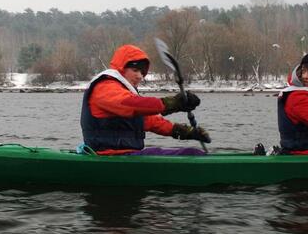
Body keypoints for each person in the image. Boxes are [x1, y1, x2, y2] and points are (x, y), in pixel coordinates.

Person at [80, 44, 211, 155]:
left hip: (126, 155)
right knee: (190, 154)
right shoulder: (105, 87)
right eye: (135, 70)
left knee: (191, 152)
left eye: (142, 73)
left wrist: (184, 132)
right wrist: (174, 103)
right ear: (121, 68)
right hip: (109, 155)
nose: (139, 76)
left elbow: (149, 121)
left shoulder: (125, 91)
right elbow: (131, 104)